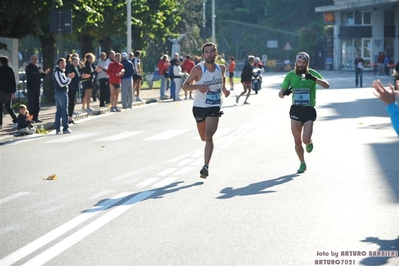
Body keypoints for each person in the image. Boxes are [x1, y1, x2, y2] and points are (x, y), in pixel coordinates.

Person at [183, 42, 230, 179]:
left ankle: (205, 166)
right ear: (203, 55)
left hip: (214, 105)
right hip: (199, 106)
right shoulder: (198, 69)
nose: (210, 54)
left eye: (212, 51)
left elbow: (222, 79)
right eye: (207, 52)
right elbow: (185, 86)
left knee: (209, 135)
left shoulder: (221, 68)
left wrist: (224, 88)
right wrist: (198, 86)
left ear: (216, 53)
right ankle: (206, 159)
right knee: (203, 137)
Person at [278, 52, 330, 173]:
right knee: (297, 141)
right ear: (295, 62)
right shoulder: (290, 75)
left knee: (305, 140)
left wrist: (314, 79)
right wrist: (284, 93)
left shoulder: (312, 73)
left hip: (308, 110)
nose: (301, 65)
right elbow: (280, 94)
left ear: (307, 63)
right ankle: (302, 163)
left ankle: (309, 142)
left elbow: (327, 85)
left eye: (304, 63)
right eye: (299, 62)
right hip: (296, 109)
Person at [53, 58, 75, 134]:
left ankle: (57, 128)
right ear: (58, 64)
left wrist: (68, 78)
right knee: (64, 111)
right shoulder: (58, 72)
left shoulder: (61, 72)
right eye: (61, 63)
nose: (63, 65)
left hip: (59, 93)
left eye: (64, 63)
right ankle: (65, 128)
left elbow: (64, 82)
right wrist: (69, 78)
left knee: (59, 111)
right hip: (61, 93)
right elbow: (62, 83)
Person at [25, 54, 50, 123]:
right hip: (31, 88)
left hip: (37, 88)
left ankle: (36, 117)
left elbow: (41, 76)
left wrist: (45, 73)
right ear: (31, 60)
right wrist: (37, 73)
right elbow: (30, 76)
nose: (34, 60)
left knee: (37, 104)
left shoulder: (38, 67)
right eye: (33, 59)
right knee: (31, 104)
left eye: (35, 59)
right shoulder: (29, 67)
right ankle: (30, 118)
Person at [66, 57, 90, 124]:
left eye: (77, 61)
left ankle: (70, 118)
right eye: (75, 61)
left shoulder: (76, 68)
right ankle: (69, 118)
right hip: (71, 87)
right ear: (72, 61)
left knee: (73, 102)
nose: (76, 62)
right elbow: (73, 79)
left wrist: (83, 75)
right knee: (71, 102)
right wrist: (81, 77)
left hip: (75, 87)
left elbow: (81, 72)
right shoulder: (70, 68)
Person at [0, 56, 18, 129]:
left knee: (8, 107)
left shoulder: (9, 69)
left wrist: (13, 92)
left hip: (7, 92)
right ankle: (0, 124)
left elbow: (12, 81)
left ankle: (16, 120)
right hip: (0, 91)